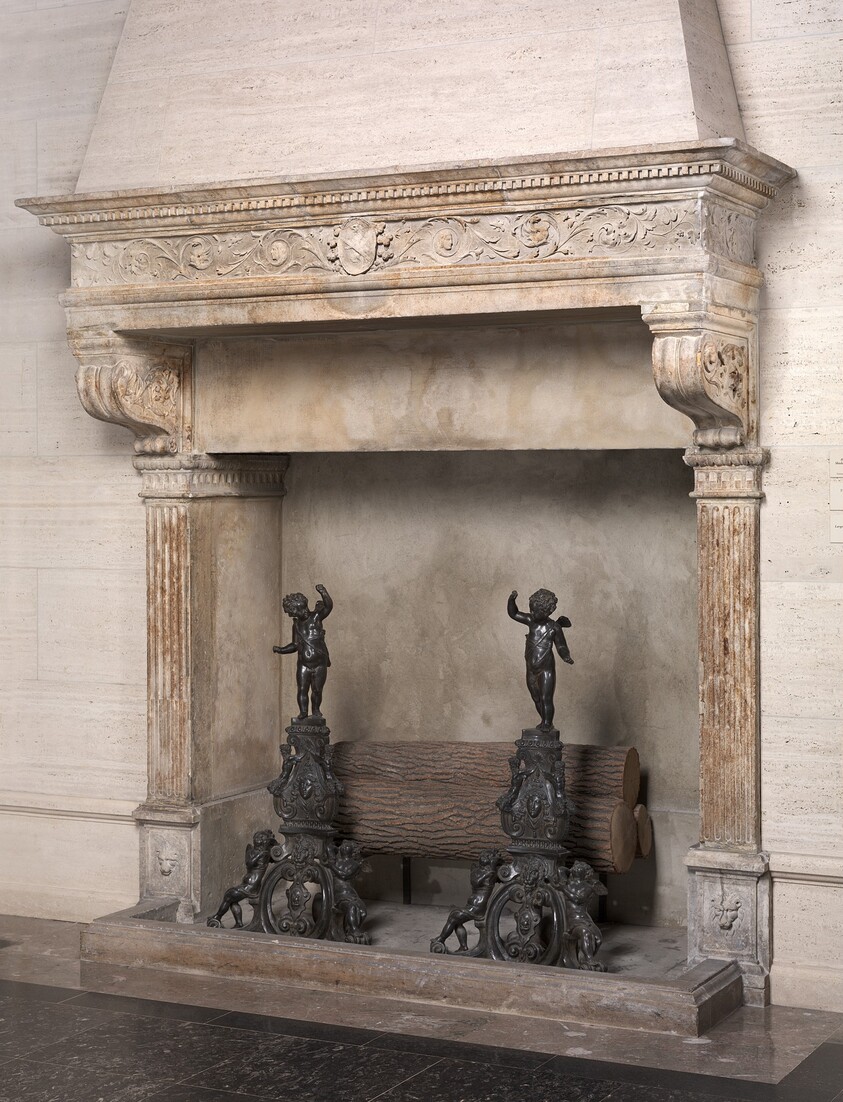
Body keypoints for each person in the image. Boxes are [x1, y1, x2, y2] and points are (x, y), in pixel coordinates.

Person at [507, 588, 573, 731]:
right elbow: (514, 614)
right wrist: (512, 600)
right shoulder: (530, 621)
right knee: (536, 697)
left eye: (535, 611)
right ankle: (544, 720)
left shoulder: (554, 627)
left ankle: (547, 724)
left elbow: (561, 645)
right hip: (531, 669)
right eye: (530, 609)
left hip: (546, 669)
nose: (531, 613)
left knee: (545, 698)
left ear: (547, 611)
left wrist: (565, 656)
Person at [274, 584, 333, 719]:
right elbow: (295, 645)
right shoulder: (296, 625)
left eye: (291, 612)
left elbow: (328, 607)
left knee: (317, 690)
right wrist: (281, 650)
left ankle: (316, 711)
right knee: (302, 689)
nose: (290, 615)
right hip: (303, 664)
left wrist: (323, 592)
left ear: (298, 608)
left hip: (319, 663)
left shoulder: (316, 617)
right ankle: (303, 713)